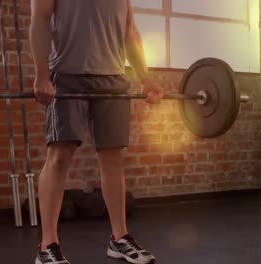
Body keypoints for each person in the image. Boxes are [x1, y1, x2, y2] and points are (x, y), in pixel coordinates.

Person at [30, 0, 164, 263]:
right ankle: (48, 245)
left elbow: (130, 32)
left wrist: (145, 78)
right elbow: (40, 21)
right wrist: (42, 74)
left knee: (112, 158)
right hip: (67, 75)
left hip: (113, 77)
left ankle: (119, 238)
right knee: (59, 157)